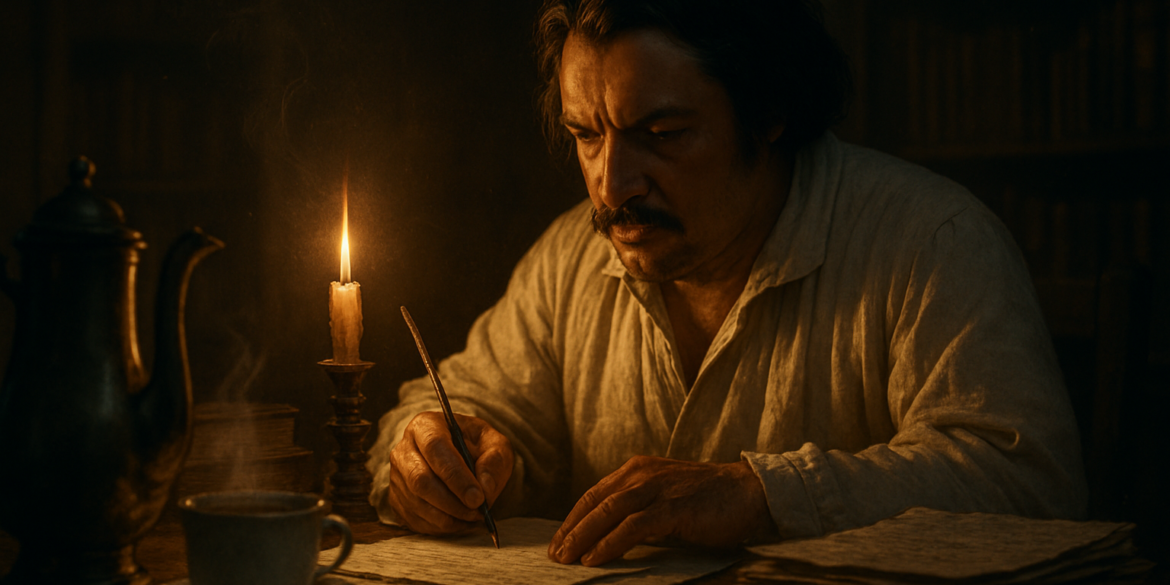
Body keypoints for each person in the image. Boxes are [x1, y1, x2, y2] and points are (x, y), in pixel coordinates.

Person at [367, 0, 1086, 567]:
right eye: (588, 135)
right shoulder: (570, 261)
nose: (610, 184)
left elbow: (1026, 482)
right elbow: (463, 411)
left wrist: (762, 494)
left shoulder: (931, 242)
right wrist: (430, 459)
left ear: (768, 110)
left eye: (664, 133)